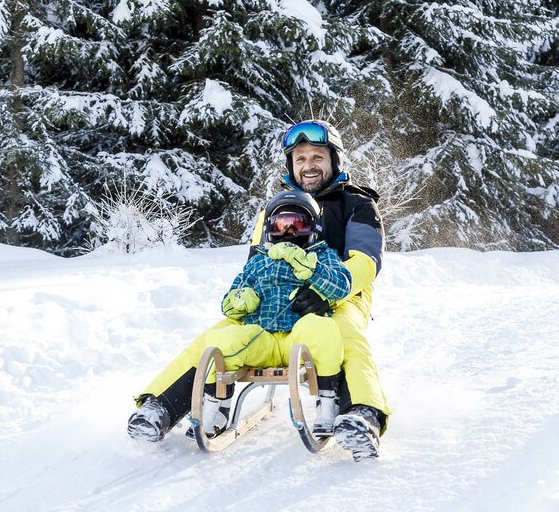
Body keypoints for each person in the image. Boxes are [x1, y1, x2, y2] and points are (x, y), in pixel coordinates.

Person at [128, 120, 390, 461]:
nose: (308, 165)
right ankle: (159, 407)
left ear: (333, 160)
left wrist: (326, 292)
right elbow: (256, 260)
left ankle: (363, 415)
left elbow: (366, 262)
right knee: (219, 333)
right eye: (300, 158)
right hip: (275, 296)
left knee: (345, 335)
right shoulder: (276, 208)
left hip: (342, 295)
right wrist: (244, 299)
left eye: (317, 157)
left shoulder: (357, 204)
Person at [127, 190, 352, 443]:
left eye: (297, 225)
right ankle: (218, 406)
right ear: (270, 229)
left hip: (298, 337)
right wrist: (240, 300)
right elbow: (229, 300)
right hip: (261, 338)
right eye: (281, 225)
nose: (288, 233)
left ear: (312, 228)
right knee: (221, 340)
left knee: (322, 328)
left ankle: (328, 404)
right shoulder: (258, 261)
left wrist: (310, 267)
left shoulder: (322, 255)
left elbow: (343, 285)